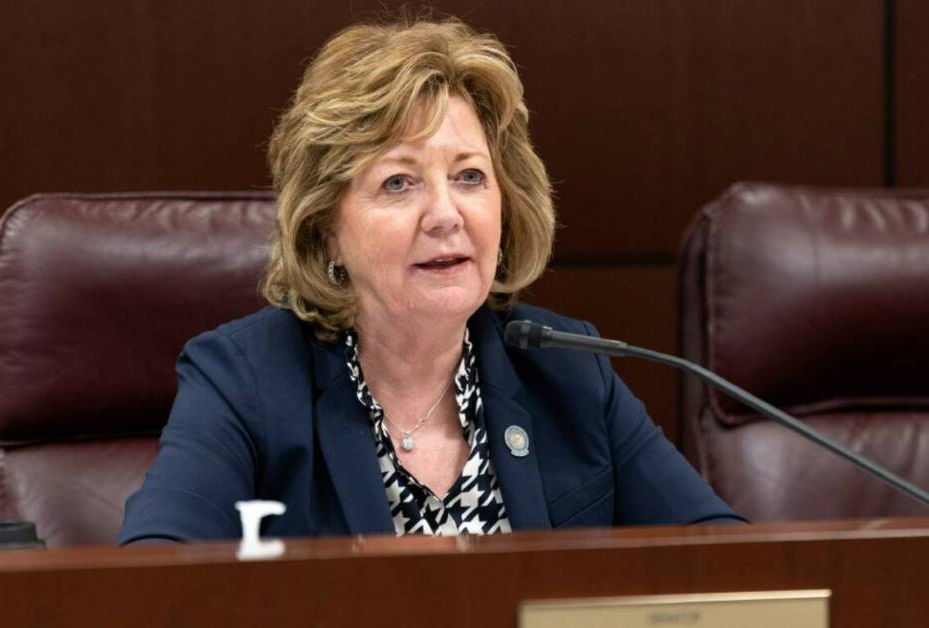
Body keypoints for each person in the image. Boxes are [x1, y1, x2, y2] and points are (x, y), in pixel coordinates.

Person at [119, 18, 742, 544]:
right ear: (326, 228)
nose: (446, 214)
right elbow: (152, 580)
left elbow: (730, 566)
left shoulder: (568, 373)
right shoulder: (243, 381)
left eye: (469, 176)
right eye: (399, 182)